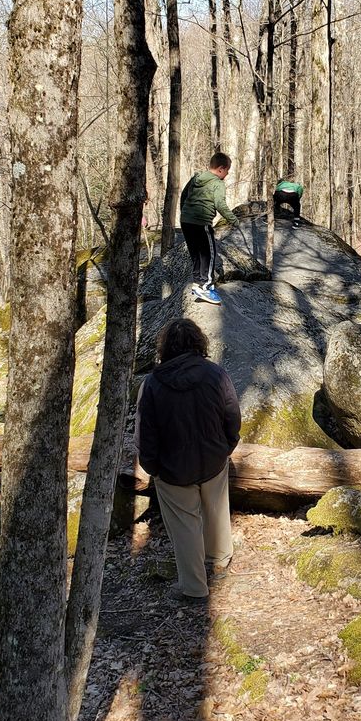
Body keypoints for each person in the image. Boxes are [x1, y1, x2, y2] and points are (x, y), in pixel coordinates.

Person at [135, 318, 240, 602]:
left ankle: (194, 587)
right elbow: (232, 415)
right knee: (216, 509)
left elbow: (145, 433)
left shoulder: (152, 384)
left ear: (164, 347)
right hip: (213, 458)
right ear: (199, 343)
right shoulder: (216, 374)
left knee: (185, 525)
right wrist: (227, 446)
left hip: (172, 469)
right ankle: (218, 560)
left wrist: (152, 467)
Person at [179, 150, 238, 305]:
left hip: (186, 221)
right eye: (227, 171)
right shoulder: (218, 183)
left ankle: (198, 282)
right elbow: (220, 204)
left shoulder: (196, 178)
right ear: (220, 169)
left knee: (196, 253)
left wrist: (184, 212)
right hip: (201, 222)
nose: (227, 175)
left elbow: (184, 195)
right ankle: (206, 286)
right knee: (209, 253)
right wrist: (233, 220)